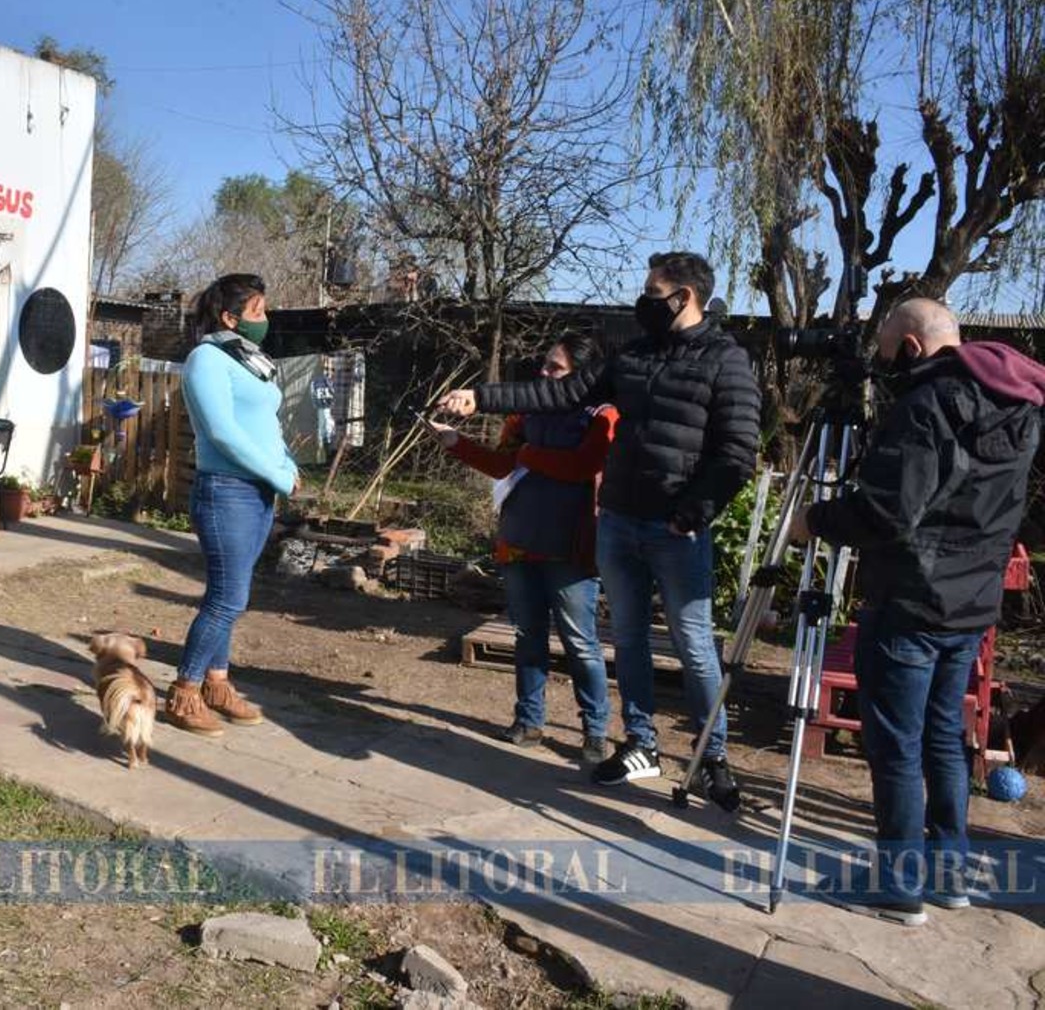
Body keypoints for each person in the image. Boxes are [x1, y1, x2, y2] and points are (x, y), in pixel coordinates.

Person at [439, 252, 761, 802]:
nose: (643, 301)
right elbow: (560, 393)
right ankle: (640, 744)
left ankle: (713, 756)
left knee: (693, 646)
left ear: (684, 297)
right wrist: (482, 397)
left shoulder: (725, 361)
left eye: (652, 291)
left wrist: (694, 511)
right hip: (618, 521)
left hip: (677, 530)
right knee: (629, 640)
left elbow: (738, 451)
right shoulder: (632, 356)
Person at [790, 298, 1044, 926]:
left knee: (897, 745)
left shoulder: (928, 404)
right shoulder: (1020, 403)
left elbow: (886, 511)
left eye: (885, 355)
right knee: (943, 739)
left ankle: (900, 885)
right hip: (969, 606)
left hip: (910, 600)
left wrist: (812, 520)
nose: (880, 369)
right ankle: (948, 872)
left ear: (909, 347)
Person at [425, 331, 617, 762]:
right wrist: (458, 445)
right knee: (527, 635)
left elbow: (584, 466)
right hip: (519, 541)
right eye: (544, 364)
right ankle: (528, 721)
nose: (544, 373)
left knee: (579, 641)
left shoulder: (602, 415)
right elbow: (501, 465)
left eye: (556, 368)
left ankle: (595, 731)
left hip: (571, 547)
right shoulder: (524, 416)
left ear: (582, 376)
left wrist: (529, 455)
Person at [170, 273, 297, 736]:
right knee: (228, 598)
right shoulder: (207, 359)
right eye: (258, 311)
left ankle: (216, 684)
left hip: (257, 492)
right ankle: (184, 691)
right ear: (230, 317)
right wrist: (277, 473)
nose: (266, 319)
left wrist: (286, 463)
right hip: (226, 491)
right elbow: (222, 432)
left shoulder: (249, 360)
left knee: (230, 595)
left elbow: (265, 423)